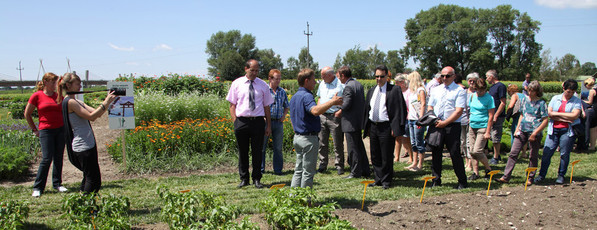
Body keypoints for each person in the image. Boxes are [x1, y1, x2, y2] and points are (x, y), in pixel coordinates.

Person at [59, 73, 117, 194]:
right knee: (93, 180)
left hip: (87, 143)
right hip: (83, 146)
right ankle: (88, 207)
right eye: (77, 84)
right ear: (68, 85)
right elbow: (92, 117)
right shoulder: (70, 102)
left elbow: (97, 112)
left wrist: (108, 101)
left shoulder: (76, 101)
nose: (80, 86)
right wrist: (106, 102)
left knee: (89, 177)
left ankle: (83, 204)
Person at [289, 68, 343, 188]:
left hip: (298, 138)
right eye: (313, 80)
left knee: (298, 170)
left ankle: (294, 198)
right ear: (307, 81)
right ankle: (306, 201)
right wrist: (332, 102)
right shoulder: (307, 96)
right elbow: (315, 111)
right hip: (308, 139)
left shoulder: (295, 96)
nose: (315, 83)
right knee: (308, 172)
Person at [226, 59, 274, 189]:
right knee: (243, 152)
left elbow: (267, 107)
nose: (254, 73)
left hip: (258, 122)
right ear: (246, 69)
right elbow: (232, 104)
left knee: (257, 151)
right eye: (252, 70)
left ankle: (257, 178)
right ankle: (244, 178)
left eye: (257, 70)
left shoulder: (263, 85)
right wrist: (235, 121)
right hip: (241, 121)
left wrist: (268, 125)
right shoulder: (237, 84)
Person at [363, 65, 407, 189]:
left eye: (381, 76)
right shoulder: (372, 91)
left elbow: (400, 109)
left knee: (386, 155)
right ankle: (378, 179)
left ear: (387, 76)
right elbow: (368, 109)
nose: (379, 79)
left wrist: (396, 127)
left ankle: (386, 180)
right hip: (374, 126)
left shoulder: (394, 90)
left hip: (386, 126)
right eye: (376, 76)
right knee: (375, 154)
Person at [25, 72, 68, 197]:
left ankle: (57, 184)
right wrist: (34, 129)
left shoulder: (58, 96)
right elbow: (27, 114)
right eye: (53, 82)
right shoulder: (37, 96)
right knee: (46, 158)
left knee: (58, 157)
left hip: (60, 129)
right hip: (46, 130)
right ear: (45, 82)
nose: (55, 85)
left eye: (56, 82)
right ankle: (38, 187)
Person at [497, 81, 548, 185]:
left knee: (533, 155)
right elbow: (522, 115)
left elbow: (545, 120)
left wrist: (535, 133)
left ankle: (530, 178)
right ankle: (506, 176)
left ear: (537, 91)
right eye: (528, 90)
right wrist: (517, 128)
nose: (529, 92)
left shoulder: (541, 103)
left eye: (532, 90)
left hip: (534, 132)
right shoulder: (524, 100)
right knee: (513, 153)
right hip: (522, 130)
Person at [427, 66, 468, 189]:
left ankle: (462, 181)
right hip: (437, 124)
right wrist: (433, 119)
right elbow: (430, 106)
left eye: (447, 76)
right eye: (442, 76)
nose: (444, 78)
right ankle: (436, 180)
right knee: (436, 153)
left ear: (453, 76)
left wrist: (445, 123)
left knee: (455, 153)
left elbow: (459, 111)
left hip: (452, 125)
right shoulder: (436, 90)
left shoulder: (459, 91)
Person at [535, 79, 582, 184]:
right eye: (568, 91)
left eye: (572, 92)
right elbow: (550, 113)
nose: (570, 94)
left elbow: (575, 115)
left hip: (567, 131)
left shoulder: (576, 100)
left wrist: (558, 115)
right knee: (547, 153)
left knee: (564, 153)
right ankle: (542, 175)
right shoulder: (555, 98)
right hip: (553, 130)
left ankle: (561, 175)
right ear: (564, 88)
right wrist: (566, 118)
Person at [337, 66, 370, 179]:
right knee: (359, 146)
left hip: (350, 122)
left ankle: (355, 172)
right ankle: (365, 169)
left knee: (352, 148)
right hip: (357, 120)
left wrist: (337, 103)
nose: (339, 79)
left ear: (343, 75)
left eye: (339, 76)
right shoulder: (358, 84)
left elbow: (347, 105)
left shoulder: (348, 87)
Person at [316, 67, 345, 175]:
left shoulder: (340, 85)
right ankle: (323, 164)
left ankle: (339, 165)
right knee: (322, 142)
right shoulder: (322, 84)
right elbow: (319, 97)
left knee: (337, 143)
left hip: (334, 116)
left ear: (330, 75)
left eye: (323, 75)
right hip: (323, 116)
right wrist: (319, 108)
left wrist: (340, 111)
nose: (322, 77)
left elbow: (346, 100)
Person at [261, 69, 289, 175]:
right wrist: (263, 117)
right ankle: (261, 169)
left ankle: (278, 169)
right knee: (262, 147)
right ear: (270, 78)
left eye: (279, 79)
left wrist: (283, 116)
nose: (278, 81)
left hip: (278, 122)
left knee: (278, 147)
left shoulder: (282, 91)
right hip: (265, 122)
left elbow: (286, 106)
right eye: (276, 79)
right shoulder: (264, 90)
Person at [466, 78, 495, 180]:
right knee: (472, 151)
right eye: (478, 90)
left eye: (482, 90)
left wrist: (488, 131)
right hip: (472, 126)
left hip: (483, 126)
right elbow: (470, 109)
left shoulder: (489, 98)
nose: (480, 92)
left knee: (477, 151)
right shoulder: (473, 96)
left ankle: (488, 169)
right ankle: (475, 172)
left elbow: (491, 116)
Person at [405, 71, 426, 171]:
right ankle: (414, 162)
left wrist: (420, 120)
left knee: (419, 142)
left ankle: (420, 164)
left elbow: (423, 104)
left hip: (418, 120)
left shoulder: (421, 90)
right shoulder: (412, 91)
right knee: (413, 142)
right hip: (411, 119)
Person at [486, 70, 507, 165]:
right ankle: (496, 154)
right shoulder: (492, 87)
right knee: (492, 136)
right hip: (491, 115)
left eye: (487, 77)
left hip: (497, 116)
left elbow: (503, 102)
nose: (486, 79)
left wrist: (496, 115)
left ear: (492, 77)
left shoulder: (500, 86)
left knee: (495, 136)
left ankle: (495, 157)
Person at [393, 74, 413, 163]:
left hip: (407, 117)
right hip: (398, 118)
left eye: (397, 83)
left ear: (402, 83)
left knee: (406, 139)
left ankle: (411, 157)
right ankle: (396, 157)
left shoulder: (409, 92)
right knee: (398, 138)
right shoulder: (397, 92)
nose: (395, 84)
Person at [463, 73, 479, 172]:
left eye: (474, 81)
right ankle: (466, 160)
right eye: (470, 81)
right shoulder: (464, 92)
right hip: (462, 119)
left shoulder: (478, 93)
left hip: (472, 120)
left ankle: (470, 163)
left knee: (469, 142)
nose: (472, 83)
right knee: (462, 142)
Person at [506, 84, 527, 157]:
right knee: (523, 134)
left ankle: (514, 152)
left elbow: (511, 105)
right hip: (525, 116)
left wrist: (507, 112)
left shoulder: (514, 95)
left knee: (515, 133)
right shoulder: (524, 95)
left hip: (517, 117)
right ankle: (524, 153)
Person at [580, 78, 597, 151]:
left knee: (589, 127)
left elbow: (590, 102)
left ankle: (586, 144)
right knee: (594, 129)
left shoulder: (591, 91)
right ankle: (593, 146)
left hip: (593, 110)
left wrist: (582, 101)